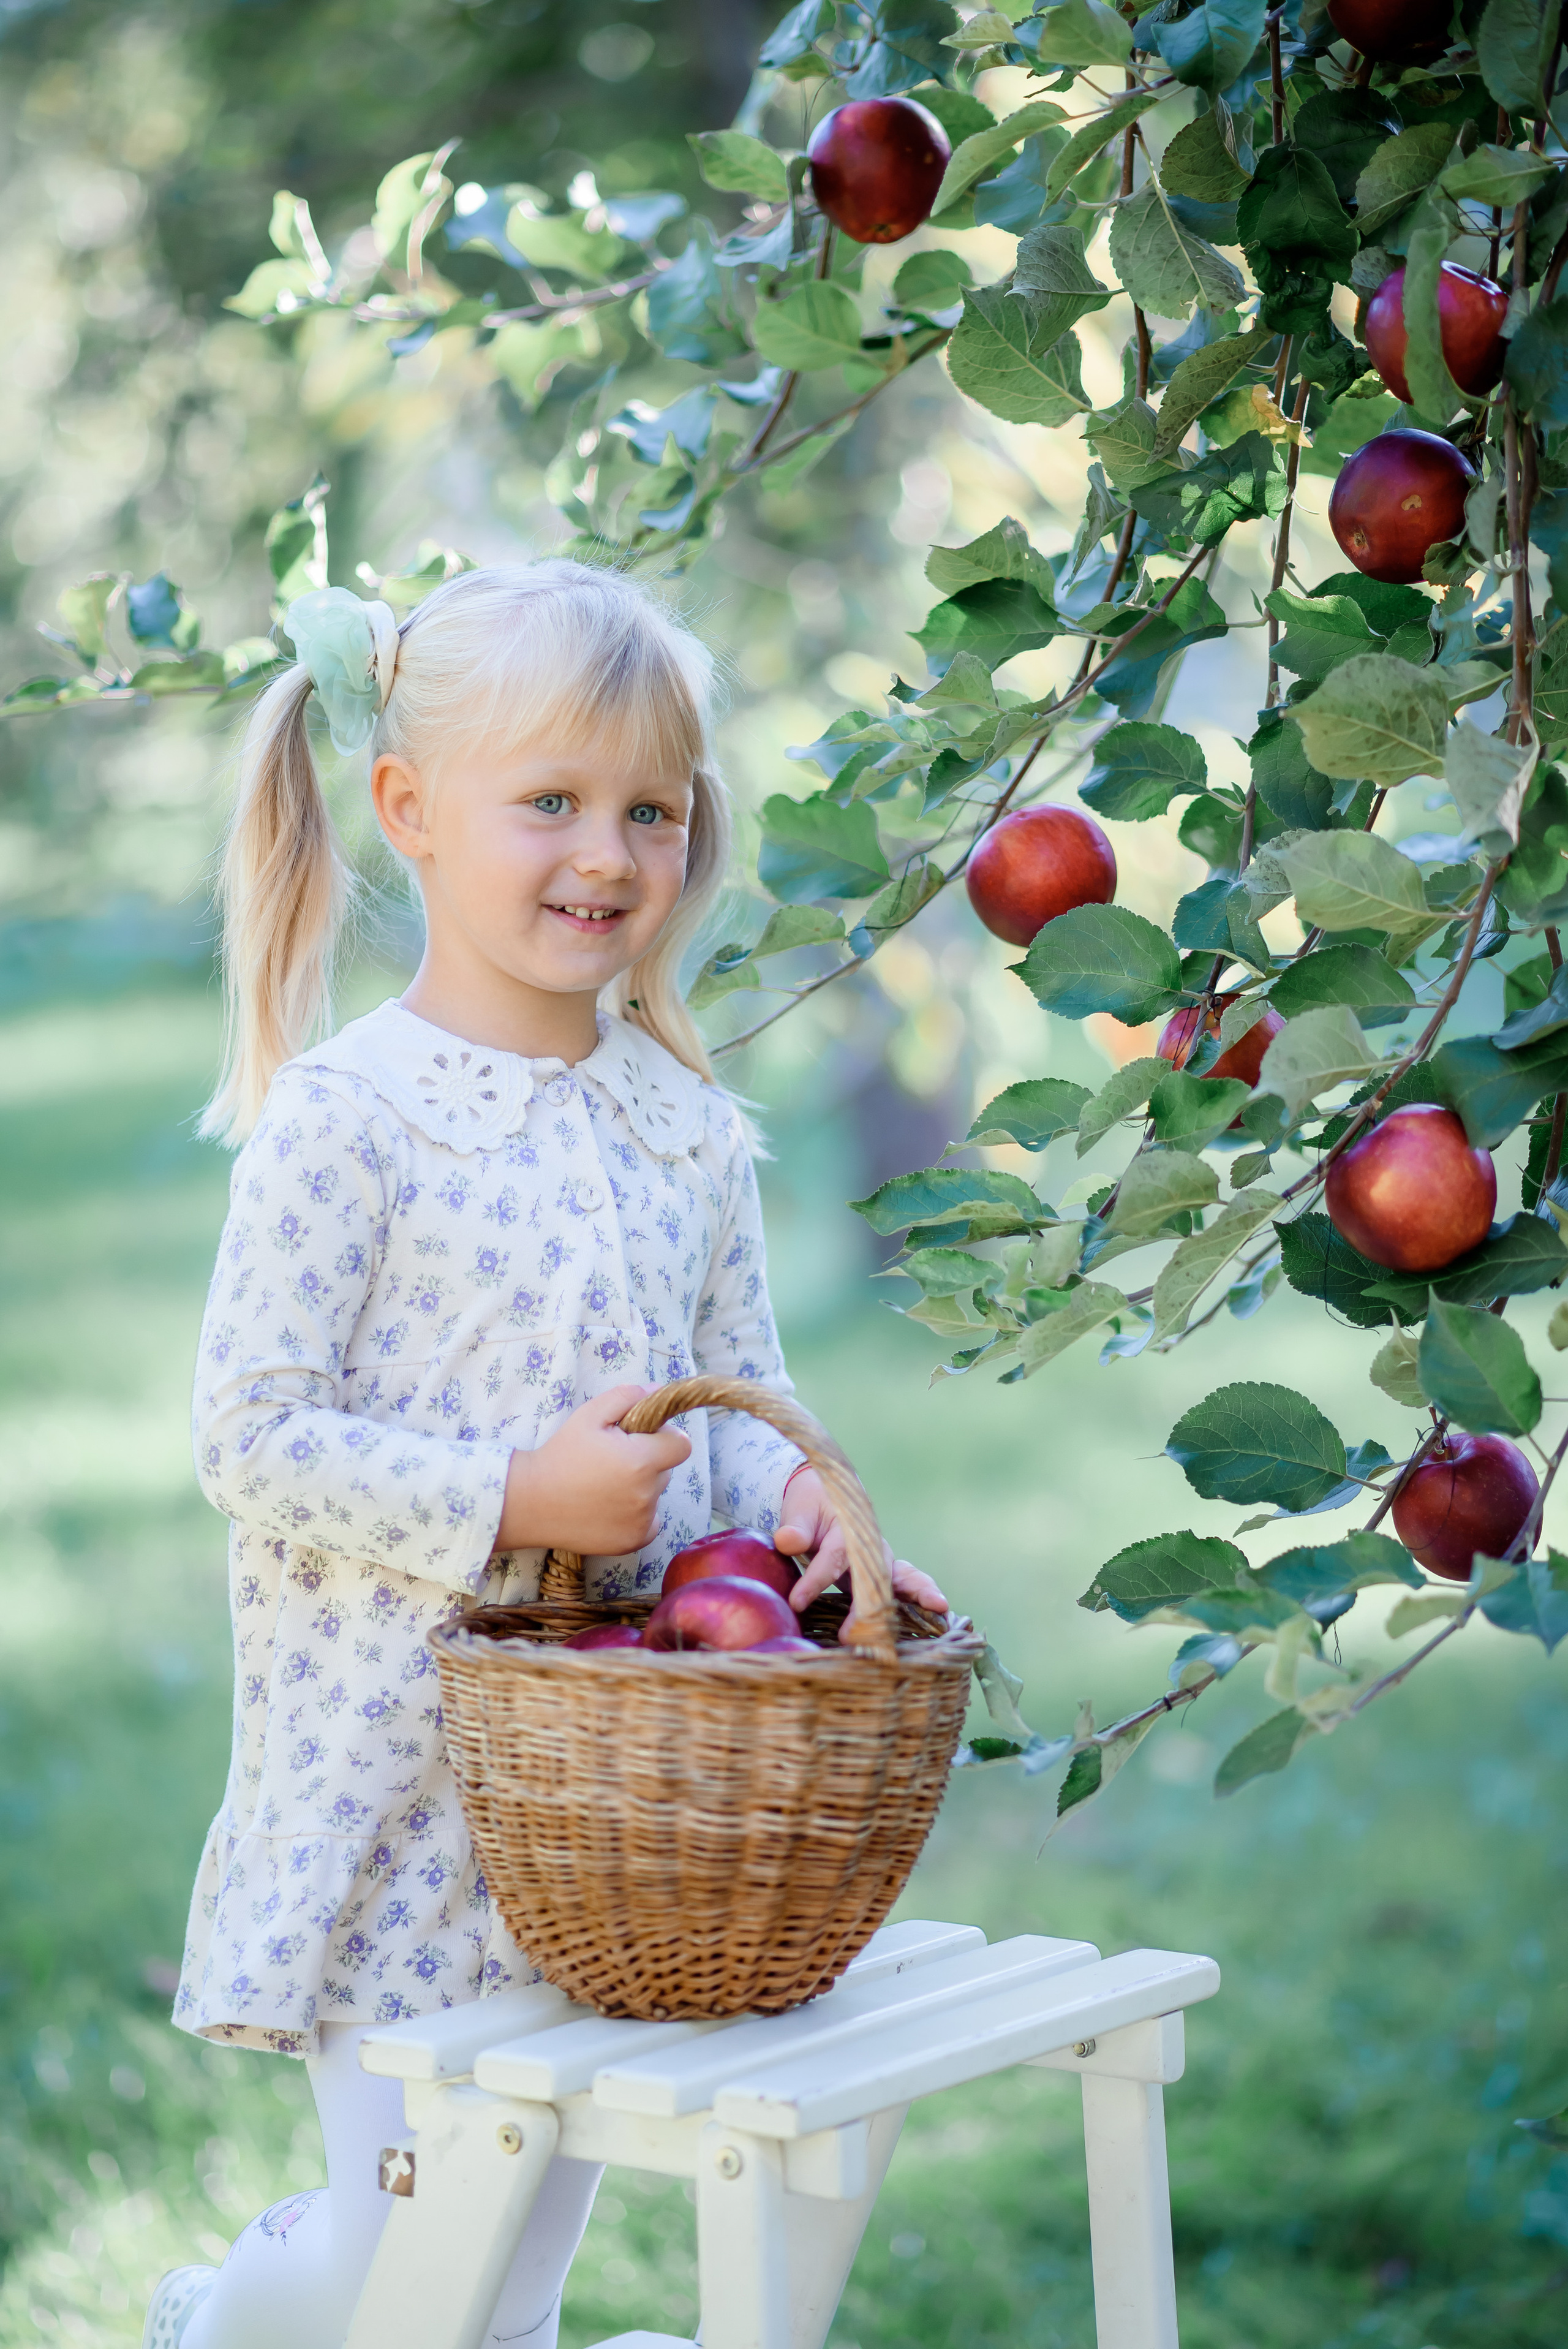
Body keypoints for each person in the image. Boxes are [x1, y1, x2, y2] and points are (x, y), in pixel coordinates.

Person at [145, 561, 945, 2349]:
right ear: (411, 809)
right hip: (398, 1789)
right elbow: (250, 1436)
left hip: (614, 1804)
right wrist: (512, 1498)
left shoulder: (688, 1126)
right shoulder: (349, 1122)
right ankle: (221, 2319)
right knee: (401, 2275)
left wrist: (801, 1506)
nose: (608, 852)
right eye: (553, 802)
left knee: (510, 2269)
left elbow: (736, 1391)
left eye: (651, 809)